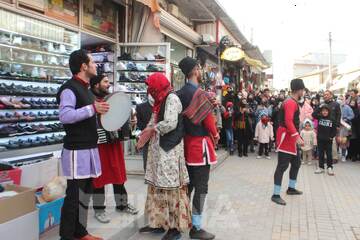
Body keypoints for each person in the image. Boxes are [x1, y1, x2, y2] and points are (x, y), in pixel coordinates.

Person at [57, 49, 109, 240]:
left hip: (89, 148)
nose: (96, 65)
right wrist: (92, 108)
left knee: (85, 194)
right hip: (75, 151)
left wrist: (100, 112)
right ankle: (67, 236)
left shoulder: (86, 89)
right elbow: (65, 115)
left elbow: (88, 113)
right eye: (93, 62)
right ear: (83, 66)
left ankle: (81, 232)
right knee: (73, 197)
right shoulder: (69, 89)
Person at [137, 73, 191, 240]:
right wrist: (144, 135)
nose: (150, 90)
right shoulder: (160, 100)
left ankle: (174, 227)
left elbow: (170, 123)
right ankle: (159, 222)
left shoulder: (171, 99)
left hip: (169, 151)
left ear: (158, 86)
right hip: (159, 152)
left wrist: (152, 130)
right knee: (158, 186)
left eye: (152, 87)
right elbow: (153, 121)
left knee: (170, 188)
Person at [177, 57, 218, 240]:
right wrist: (216, 134)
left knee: (188, 186)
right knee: (201, 187)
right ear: (194, 70)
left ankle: (181, 221)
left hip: (186, 144)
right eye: (199, 68)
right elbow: (208, 121)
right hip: (200, 145)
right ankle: (196, 226)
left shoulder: (179, 93)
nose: (201, 71)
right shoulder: (200, 93)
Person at [89, 75, 138, 224]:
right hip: (98, 144)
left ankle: (122, 205)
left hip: (114, 143)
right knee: (99, 178)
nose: (108, 84)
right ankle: (99, 209)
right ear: (96, 85)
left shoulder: (112, 99)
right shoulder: (89, 101)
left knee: (118, 174)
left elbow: (119, 117)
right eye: (105, 82)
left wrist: (130, 123)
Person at [272, 79, 305, 206]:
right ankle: (275, 194)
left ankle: (291, 188)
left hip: (291, 137)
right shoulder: (291, 102)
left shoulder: (291, 101)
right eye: (302, 89)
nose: (303, 92)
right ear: (299, 90)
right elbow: (288, 121)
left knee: (296, 163)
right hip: (287, 137)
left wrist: (295, 137)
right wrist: (297, 136)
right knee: (282, 166)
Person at [313, 104, 337, 175]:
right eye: (323, 111)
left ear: (328, 111)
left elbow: (334, 130)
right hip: (320, 139)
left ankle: (330, 167)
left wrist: (331, 137)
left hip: (328, 140)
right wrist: (319, 107)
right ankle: (321, 167)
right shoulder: (319, 117)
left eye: (326, 111)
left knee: (329, 154)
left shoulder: (332, 119)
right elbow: (313, 114)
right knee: (321, 154)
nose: (324, 112)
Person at [322, 90, 341, 163]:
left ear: (331, 95)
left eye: (327, 94)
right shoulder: (322, 104)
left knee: (332, 142)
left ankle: (334, 157)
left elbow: (339, 115)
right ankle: (326, 157)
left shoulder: (336, 104)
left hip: (333, 126)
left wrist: (337, 125)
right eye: (324, 95)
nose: (325, 96)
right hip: (324, 125)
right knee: (324, 142)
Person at [136, 96, 153, 171]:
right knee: (147, 161)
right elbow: (139, 124)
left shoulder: (163, 105)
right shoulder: (140, 107)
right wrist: (148, 129)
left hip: (161, 139)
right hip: (147, 139)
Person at [337, 95, 354, 162]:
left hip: (344, 127)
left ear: (344, 100)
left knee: (344, 142)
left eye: (342, 99)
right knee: (336, 141)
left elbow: (352, 115)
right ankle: (336, 155)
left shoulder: (347, 107)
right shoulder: (336, 106)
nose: (340, 100)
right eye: (339, 98)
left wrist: (346, 119)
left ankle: (343, 155)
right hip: (337, 126)